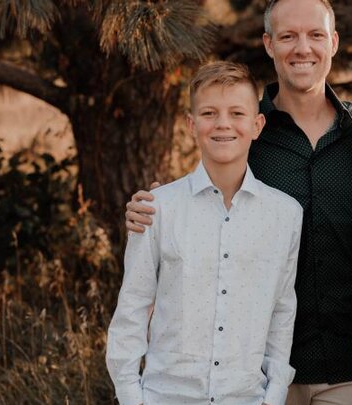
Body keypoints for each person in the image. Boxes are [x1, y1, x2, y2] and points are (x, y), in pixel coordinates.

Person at [125, 1, 352, 403]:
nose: (302, 48)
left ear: (334, 42)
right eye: (288, 36)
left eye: (315, 35)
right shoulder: (242, 127)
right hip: (251, 377)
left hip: (349, 367)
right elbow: (197, 206)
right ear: (268, 44)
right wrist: (146, 211)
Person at [106, 61, 302, 405]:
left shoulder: (285, 215)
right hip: (165, 396)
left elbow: (282, 309)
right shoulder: (159, 209)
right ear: (191, 124)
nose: (223, 124)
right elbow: (133, 306)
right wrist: (130, 395)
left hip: (247, 398)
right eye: (209, 113)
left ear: (257, 125)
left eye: (237, 113)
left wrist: (274, 394)